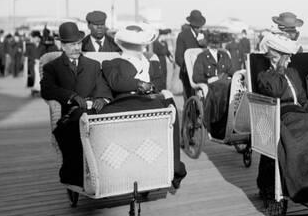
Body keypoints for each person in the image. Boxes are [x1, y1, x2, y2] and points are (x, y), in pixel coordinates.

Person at [101, 24, 187, 189]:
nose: (139, 47)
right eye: (134, 43)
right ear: (124, 44)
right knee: (165, 104)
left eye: (140, 43)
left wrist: (154, 89)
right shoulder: (112, 63)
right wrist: (139, 84)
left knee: (170, 104)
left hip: (150, 101)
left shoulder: (152, 63)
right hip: (126, 103)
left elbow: (159, 83)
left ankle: (173, 165)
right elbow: (116, 83)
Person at [255, 32, 308, 204]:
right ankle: (305, 187)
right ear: (276, 57)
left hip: (301, 114)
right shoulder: (265, 76)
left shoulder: (293, 73)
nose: (290, 61)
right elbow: (276, 91)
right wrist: (280, 68)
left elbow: (303, 99)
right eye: (286, 57)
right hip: (283, 116)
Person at [40, 22, 112, 187]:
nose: (77, 47)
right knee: (76, 124)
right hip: (70, 116)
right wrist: (70, 96)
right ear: (62, 46)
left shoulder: (93, 65)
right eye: (72, 44)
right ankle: (79, 177)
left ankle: (107, 172)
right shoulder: (52, 67)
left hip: (94, 112)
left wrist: (102, 98)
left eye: (79, 43)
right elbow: (47, 89)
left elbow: (102, 85)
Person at [192, 31, 236, 139]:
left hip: (225, 83)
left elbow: (231, 70)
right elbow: (196, 77)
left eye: (217, 43)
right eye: (213, 43)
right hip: (212, 87)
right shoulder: (202, 57)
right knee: (223, 88)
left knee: (232, 86)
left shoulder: (224, 55)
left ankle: (233, 120)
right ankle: (218, 124)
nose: (216, 45)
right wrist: (208, 80)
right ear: (208, 43)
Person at [175, 10, 207, 99]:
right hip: (187, 75)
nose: (199, 29)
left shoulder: (204, 35)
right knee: (189, 98)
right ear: (192, 25)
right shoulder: (183, 36)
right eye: (197, 27)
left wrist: (205, 44)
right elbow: (178, 57)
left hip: (202, 74)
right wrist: (189, 68)